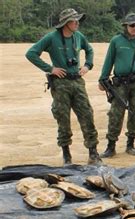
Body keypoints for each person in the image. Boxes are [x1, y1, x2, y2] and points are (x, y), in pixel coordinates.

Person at [25, 8, 101, 166]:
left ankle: (93, 154)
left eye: (78, 20)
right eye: (74, 21)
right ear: (66, 23)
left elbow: (89, 50)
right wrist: (50, 69)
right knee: (63, 118)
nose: (77, 23)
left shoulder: (78, 36)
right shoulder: (52, 38)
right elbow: (31, 53)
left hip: (77, 81)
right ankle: (67, 155)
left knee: (87, 114)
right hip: (60, 84)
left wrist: (87, 65)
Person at [98, 13, 135, 158]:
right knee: (116, 113)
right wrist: (102, 79)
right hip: (120, 82)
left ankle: (131, 144)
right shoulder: (116, 41)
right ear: (126, 26)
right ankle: (111, 146)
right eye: (132, 25)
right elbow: (108, 60)